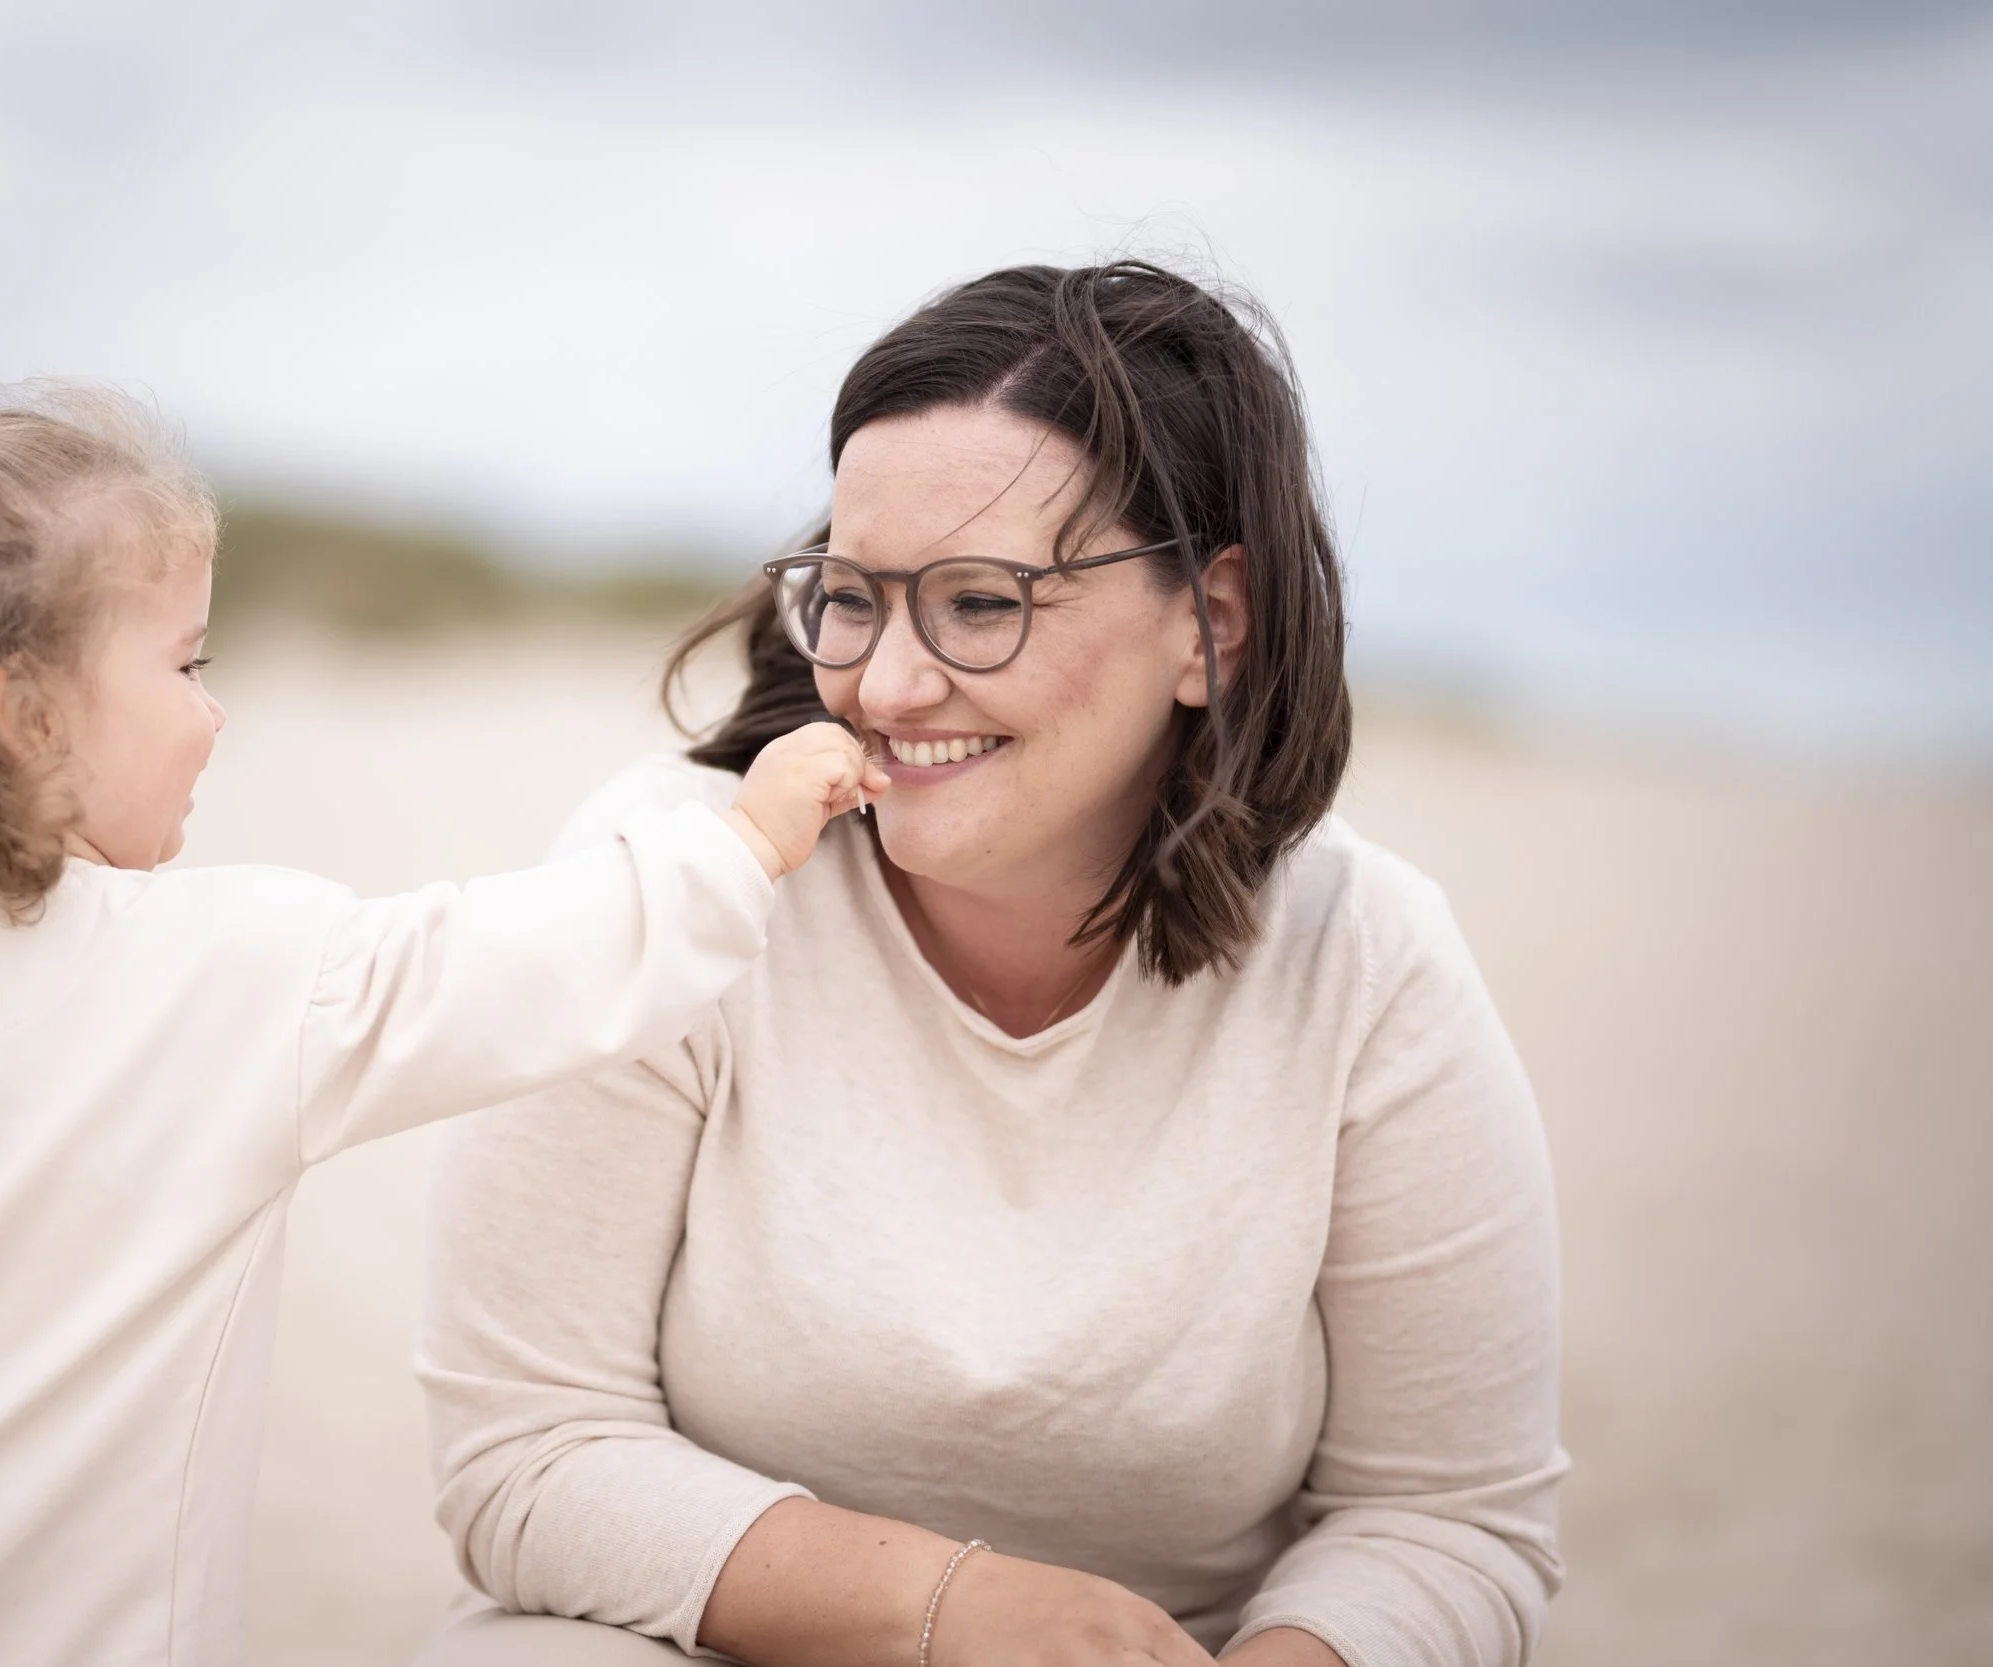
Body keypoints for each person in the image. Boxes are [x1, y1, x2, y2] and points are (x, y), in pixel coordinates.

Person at [0, 348, 887, 1667]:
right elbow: (512, 965)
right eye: (188, 663)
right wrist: (745, 842)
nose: (213, 714)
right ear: (26, 714)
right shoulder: (220, 967)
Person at [414, 262, 1567, 1667]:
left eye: (980, 603)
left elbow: (1445, 1518)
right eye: (851, 596)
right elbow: (528, 1453)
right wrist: (954, 1609)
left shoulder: (1363, 959)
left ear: (1217, 623)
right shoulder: (677, 883)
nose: (887, 686)